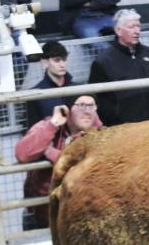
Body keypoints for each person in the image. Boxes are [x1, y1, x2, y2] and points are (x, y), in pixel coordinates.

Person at [15, 93, 102, 229]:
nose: (87, 111)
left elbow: (85, 163)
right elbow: (22, 154)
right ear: (67, 109)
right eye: (81, 105)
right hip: (42, 214)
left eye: (91, 106)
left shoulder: (100, 132)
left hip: (81, 216)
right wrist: (53, 124)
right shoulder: (48, 125)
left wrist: (50, 152)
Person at [88, 8, 149, 126]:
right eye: (132, 27)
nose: (137, 31)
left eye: (138, 26)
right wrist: (116, 119)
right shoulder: (103, 61)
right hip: (123, 130)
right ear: (118, 31)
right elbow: (100, 100)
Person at [25, 40, 74, 130]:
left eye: (64, 59)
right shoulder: (35, 94)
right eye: (57, 60)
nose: (62, 65)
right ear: (45, 62)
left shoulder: (77, 88)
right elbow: (33, 131)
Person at [56, 0, 120, 39]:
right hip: (79, 18)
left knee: (126, 31)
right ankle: (109, 54)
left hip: (106, 14)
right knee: (94, 39)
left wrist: (91, 4)